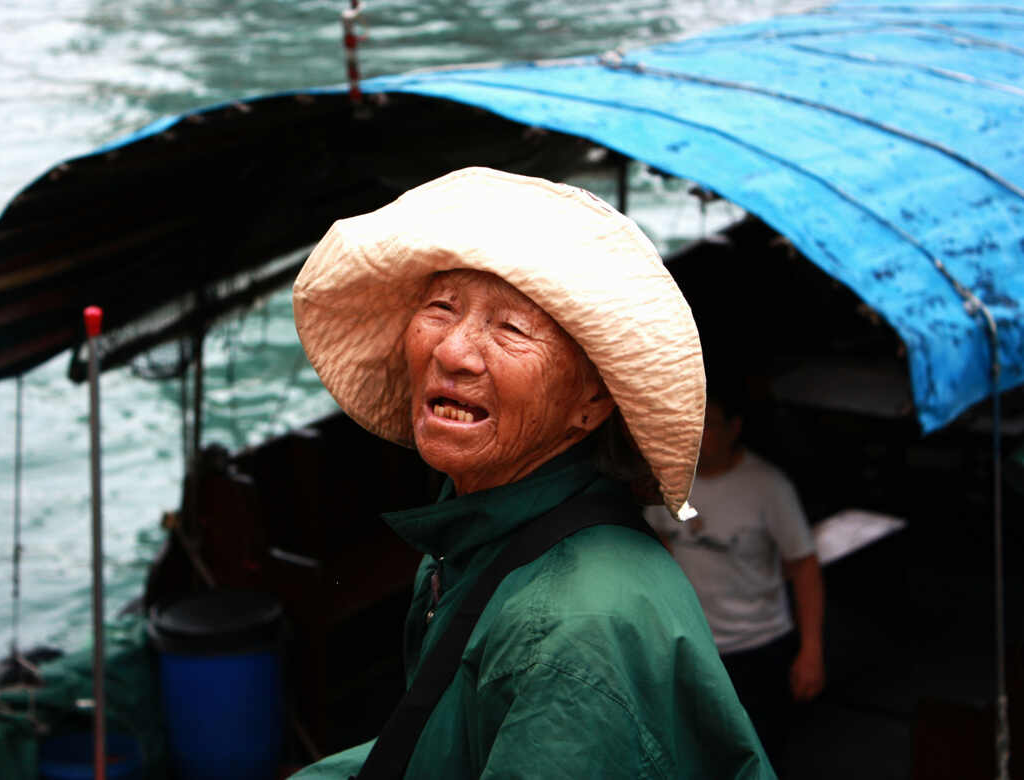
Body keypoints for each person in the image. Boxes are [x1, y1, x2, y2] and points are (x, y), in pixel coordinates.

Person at [290, 166, 773, 778]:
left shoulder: (571, 632)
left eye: (511, 329)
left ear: (590, 406)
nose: (452, 351)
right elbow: (442, 745)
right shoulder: (479, 540)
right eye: (442, 306)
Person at [644, 379, 826, 769]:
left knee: (759, 756)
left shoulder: (768, 487)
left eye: (709, 424)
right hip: (690, 650)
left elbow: (804, 565)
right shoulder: (668, 481)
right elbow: (655, 545)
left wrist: (811, 650)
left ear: (734, 428)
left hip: (758, 646)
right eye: (692, 423)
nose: (699, 434)